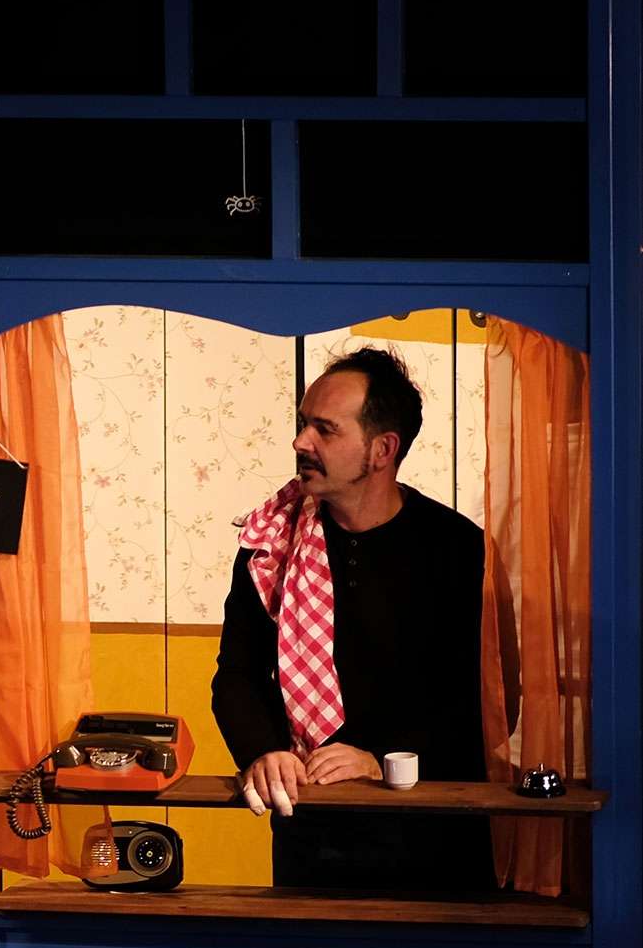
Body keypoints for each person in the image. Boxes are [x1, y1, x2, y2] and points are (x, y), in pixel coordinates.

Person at [211, 346, 492, 890]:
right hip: (311, 826)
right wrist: (263, 752)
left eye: (325, 429)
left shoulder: (457, 549)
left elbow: (481, 699)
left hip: (433, 831)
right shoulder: (270, 544)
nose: (301, 442)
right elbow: (236, 674)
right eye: (303, 424)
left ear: (382, 449)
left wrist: (380, 760)